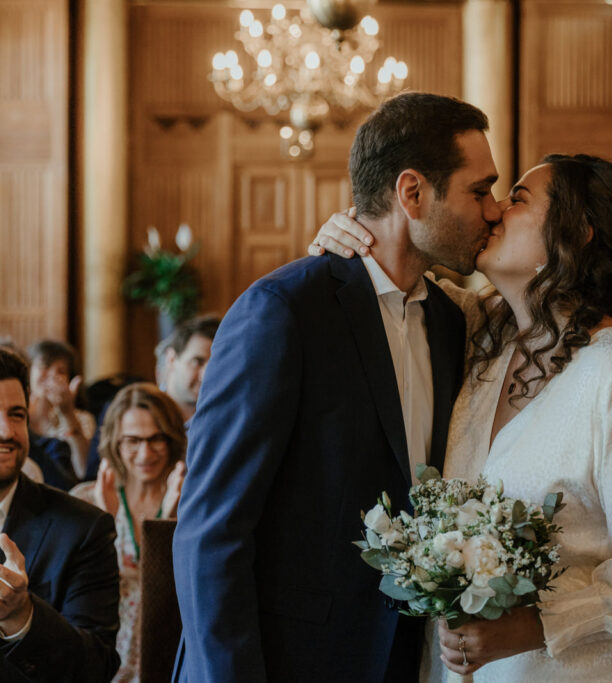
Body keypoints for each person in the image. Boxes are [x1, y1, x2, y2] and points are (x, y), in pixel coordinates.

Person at [316, 153, 612, 681]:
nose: (496, 209)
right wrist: (351, 237)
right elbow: (398, 289)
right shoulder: (482, 336)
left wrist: (537, 623)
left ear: (578, 234)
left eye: (519, 199)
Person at [172, 92, 500, 682]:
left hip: (408, 661)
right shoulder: (283, 311)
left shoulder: (453, 322)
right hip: (286, 662)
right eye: (480, 191)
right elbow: (211, 530)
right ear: (412, 193)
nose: (494, 210)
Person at [0, 344, 120, 682]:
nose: (6, 431)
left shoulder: (82, 529)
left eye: (16, 414)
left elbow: (96, 670)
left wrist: (22, 618)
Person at [72, 383, 186, 683]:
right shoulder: (84, 501)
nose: (145, 452)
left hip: (168, 660)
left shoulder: (194, 506)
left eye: (156, 438)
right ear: (115, 441)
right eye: (133, 440)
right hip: (102, 663)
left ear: (172, 438)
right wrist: (103, 520)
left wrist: (173, 519)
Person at [26, 339, 94, 480]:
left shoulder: (81, 419)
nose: (52, 375)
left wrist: (67, 413)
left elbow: (83, 470)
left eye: (61, 371)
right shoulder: (17, 414)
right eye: (44, 366)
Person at [160, 315, 220, 423]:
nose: (205, 375)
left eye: (214, 364)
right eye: (197, 361)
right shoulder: (140, 415)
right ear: (171, 359)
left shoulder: (225, 421)